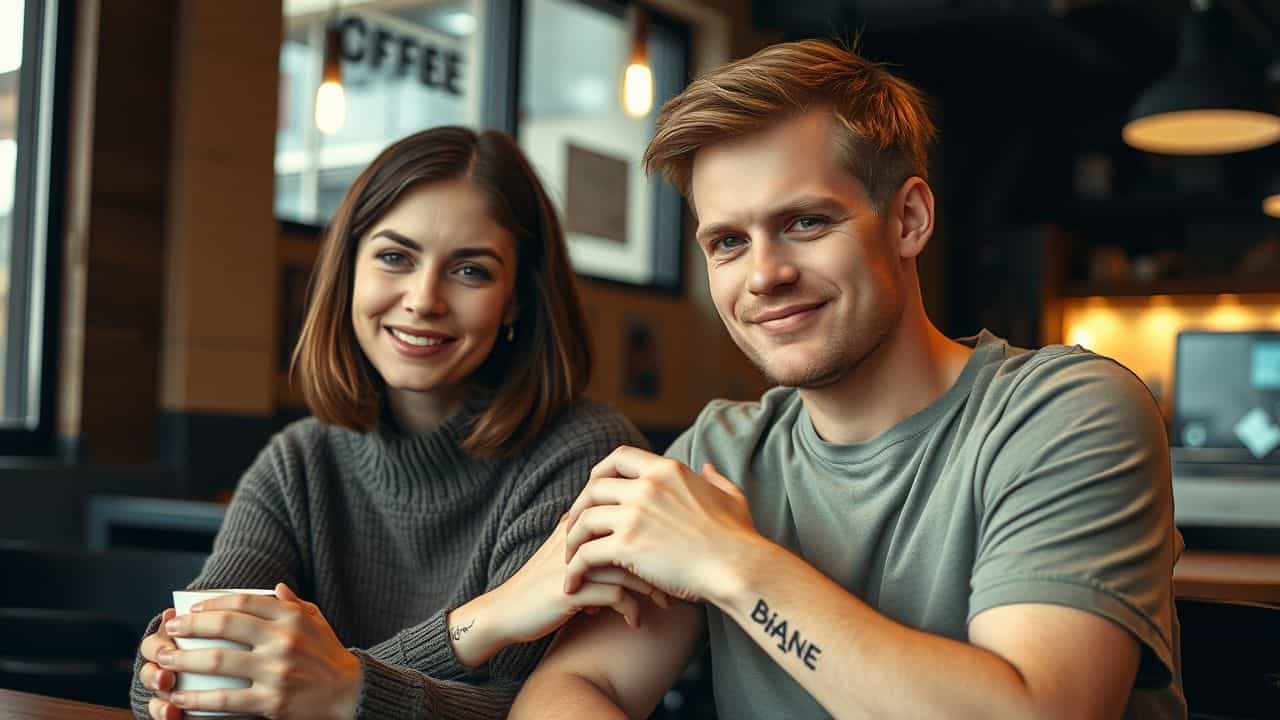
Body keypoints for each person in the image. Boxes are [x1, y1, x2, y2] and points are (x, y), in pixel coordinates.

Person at [511, 39, 1184, 719]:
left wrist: (731, 563)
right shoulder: (719, 453)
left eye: (805, 222)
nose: (764, 274)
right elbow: (571, 688)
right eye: (729, 242)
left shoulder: (1065, 412)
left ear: (909, 220)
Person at [130, 126, 666, 719]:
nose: (423, 298)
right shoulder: (299, 462)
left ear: (516, 298)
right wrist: (477, 624)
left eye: (471, 271)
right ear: (349, 270)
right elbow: (179, 676)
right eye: (394, 257)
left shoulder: (586, 457)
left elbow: (524, 712)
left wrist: (332, 691)